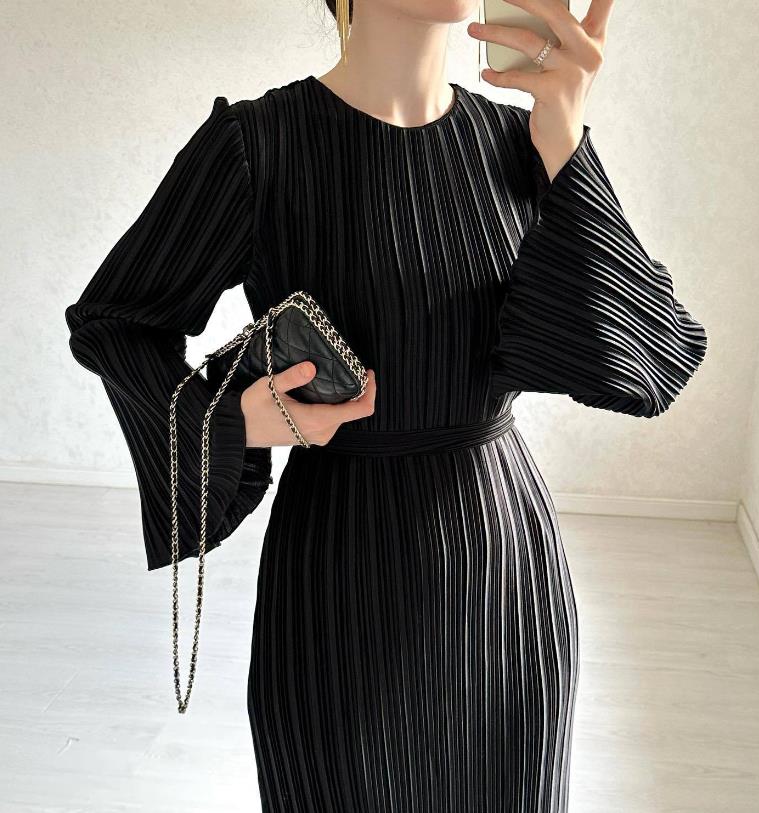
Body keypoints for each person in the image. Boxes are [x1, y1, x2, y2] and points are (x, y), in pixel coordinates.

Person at [64, 0, 707, 809]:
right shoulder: (259, 145)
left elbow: (647, 364)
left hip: (503, 567)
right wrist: (230, 419)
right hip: (341, 569)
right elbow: (115, 322)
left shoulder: (522, 141)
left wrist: (565, 141)